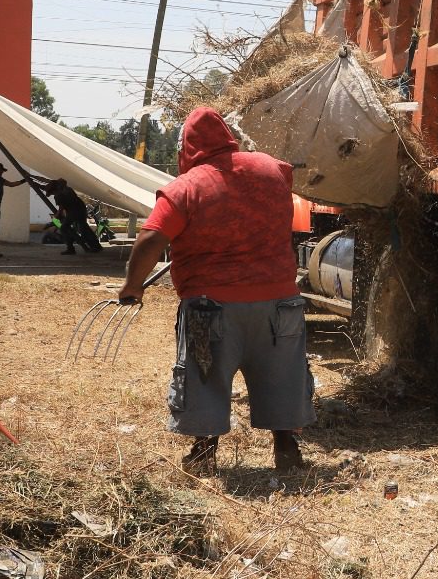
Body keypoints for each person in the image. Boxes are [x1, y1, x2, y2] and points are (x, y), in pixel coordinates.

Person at [116, 107, 312, 476]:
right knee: (283, 374)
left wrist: (132, 286)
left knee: (204, 376)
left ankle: (204, 453)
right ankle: (287, 450)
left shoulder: (187, 186)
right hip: (280, 304)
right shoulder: (272, 170)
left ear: (186, 149)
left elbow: (151, 240)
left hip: (211, 309)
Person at [36, 177, 100, 254]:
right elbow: (46, 186)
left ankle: (71, 248)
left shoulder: (59, 195)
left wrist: (55, 218)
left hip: (75, 211)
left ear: (54, 190)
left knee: (64, 228)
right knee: (83, 228)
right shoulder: (67, 189)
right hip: (80, 209)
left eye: (51, 193)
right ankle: (95, 246)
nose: (52, 194)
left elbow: (61, 209)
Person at [0, 145, 26, 258]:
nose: (2, 172)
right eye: (1, 170)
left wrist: (24, 180)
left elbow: (12, 184)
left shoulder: (0, 179)